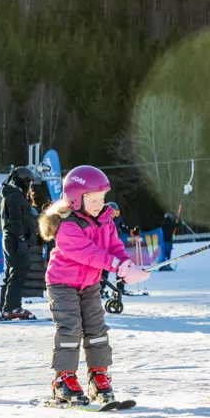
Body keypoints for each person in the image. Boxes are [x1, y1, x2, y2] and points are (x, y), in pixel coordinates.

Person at [38, 166, 150, 405]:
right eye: (94, 199)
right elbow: (89, 254)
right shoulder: (68, 225)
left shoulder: (105, 220)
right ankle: (64, 379)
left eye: (102, 198)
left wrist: (127, 264)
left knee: (96, 329)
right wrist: (116, 265)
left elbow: (114, 247)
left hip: (88, 285)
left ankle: (98, 375)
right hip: (62, 284)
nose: (100, 204)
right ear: (76, 199)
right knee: (70, 329)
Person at [0, 167, 39, 320]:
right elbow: (15, 219)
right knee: (18, 273)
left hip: (11, 239)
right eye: (29, 183)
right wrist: (21, 240)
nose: (30, 187)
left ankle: (5, 307)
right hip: (14, 240)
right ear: (22, 181)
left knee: (11, 274)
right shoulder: (14, 196)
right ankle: (12, 307)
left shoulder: (13, 195)